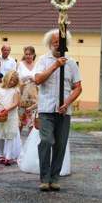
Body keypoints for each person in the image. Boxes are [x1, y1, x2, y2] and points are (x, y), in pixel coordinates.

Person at [34, 29, 82, 191]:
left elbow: (78, 87)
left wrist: (68, 102)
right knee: (47, 141)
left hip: (64, 111)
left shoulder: (72, 63)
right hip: (46, 109)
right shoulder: (42, 60)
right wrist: (55, 66)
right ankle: (44, 178)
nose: (57, 44)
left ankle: (54, 179)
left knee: (60, 145)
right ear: (49, 44)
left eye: (60, 42)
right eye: (54, 42)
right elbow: (38, 79)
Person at [0, 70, 20, 166]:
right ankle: (1, 155)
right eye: (10, 80)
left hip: (11, 116)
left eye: (14, 81)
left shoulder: (15, 90)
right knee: (1, 135)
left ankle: (8, 157)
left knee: (10, 135)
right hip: (1, 116)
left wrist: (6, 109)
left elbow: (15, 103)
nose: (12, 82)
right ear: (6, 79)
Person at [17, 46, 37, 134]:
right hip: (22, 94)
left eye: (30, 54)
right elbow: (16, 77)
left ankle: (30, 145)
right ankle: (17, 144)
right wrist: (21, 82)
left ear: (33, 55)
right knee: (19, 122)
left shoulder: (37, 65)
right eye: (26, 54)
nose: (28, 56)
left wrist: (35, 80)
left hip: (33, 95)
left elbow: (40, 78)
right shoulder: (20, 64)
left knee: (32, 122)